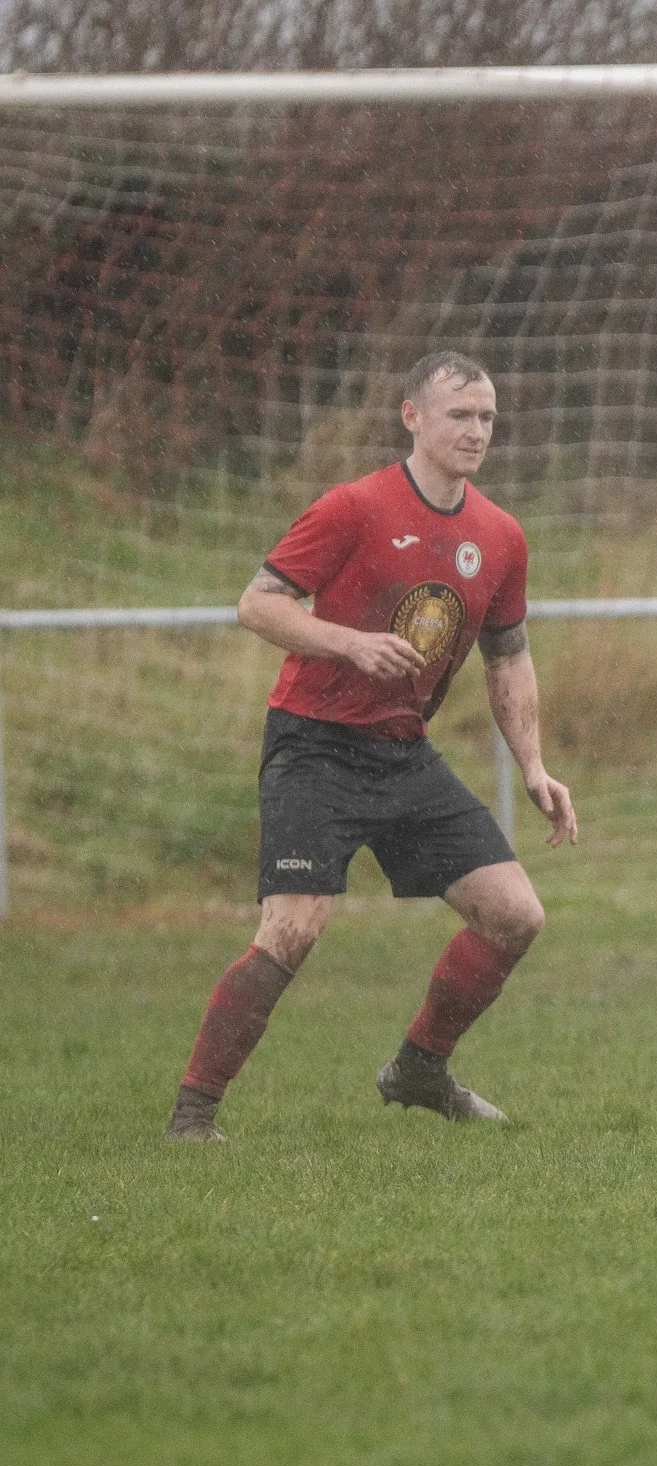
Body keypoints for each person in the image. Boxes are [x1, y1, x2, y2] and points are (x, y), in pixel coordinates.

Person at [164, 351, 577, 1142]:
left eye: (488, 417)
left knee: (515, 915)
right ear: (412, 417)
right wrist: (348, 644)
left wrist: (532, 765)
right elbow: (258, 605)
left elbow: (509, 656)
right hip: (314, 747)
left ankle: (420, 1068)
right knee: (294, 927)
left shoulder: (500, 535)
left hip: (402, 752)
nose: (477, 430)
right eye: (460, 414)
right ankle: (194, 1114)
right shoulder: (354, 507)